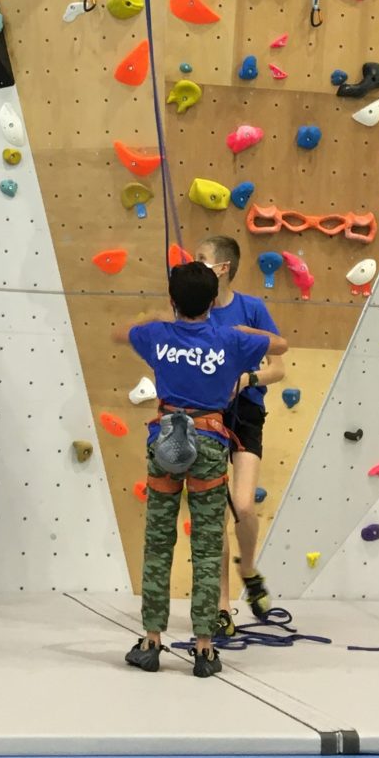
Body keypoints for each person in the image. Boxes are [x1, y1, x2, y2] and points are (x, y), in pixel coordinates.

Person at [123, 260, 283, 677]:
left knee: (158, 542)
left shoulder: (156, 335)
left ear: (173, 299)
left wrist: (160, 316)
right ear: (214, 301)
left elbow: (124, 332)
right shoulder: (231, 339)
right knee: (208, 546)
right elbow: (280, 346)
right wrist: (243, 331)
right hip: (210, 443)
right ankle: (204, 647)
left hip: (165, 442)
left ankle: (151, 641)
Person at [195, 234, 286, 637]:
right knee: (215, 512)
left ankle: (248, 569)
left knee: (244, 505)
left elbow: (278, 368)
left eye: (201, 258)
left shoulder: (252, 309)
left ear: (222, 268)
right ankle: (222, 607)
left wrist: (246, 378)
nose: (194, 263)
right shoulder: (194, 310)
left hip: (246, 412)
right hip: (209, 415)